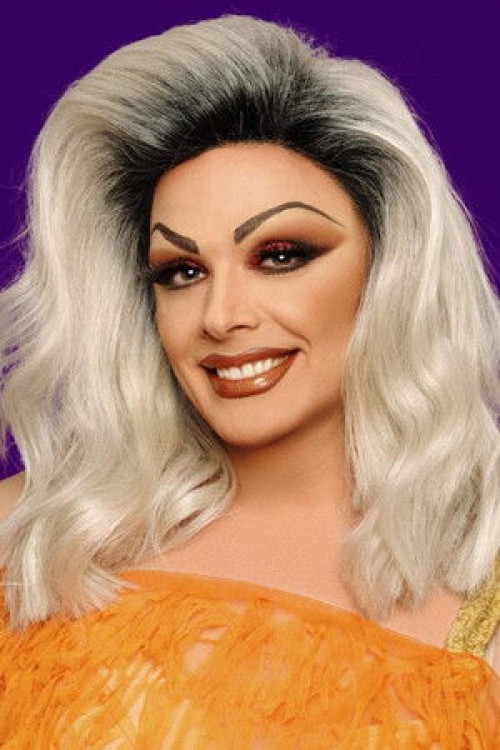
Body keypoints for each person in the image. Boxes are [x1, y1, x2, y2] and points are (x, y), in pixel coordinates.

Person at [0, 13, 498, 748]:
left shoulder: (482, 579)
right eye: (182, 271)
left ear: (389, 266)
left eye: (281, 255)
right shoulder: (36, 537)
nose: (220, 315)